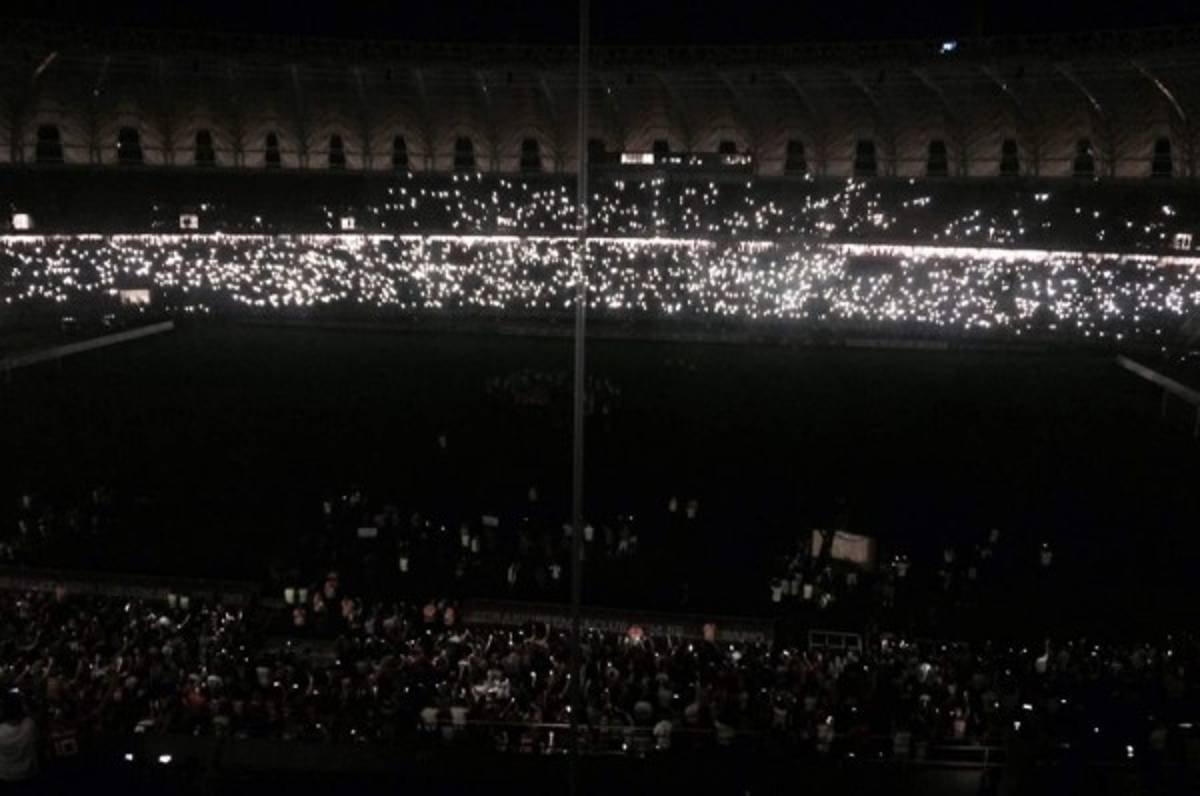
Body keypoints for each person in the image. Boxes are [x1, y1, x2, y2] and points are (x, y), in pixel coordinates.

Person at [0, 691, 37, 786]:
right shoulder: (29, 724)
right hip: (28, 773)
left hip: (6, 775)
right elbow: (31, 715)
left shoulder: (1, 731)